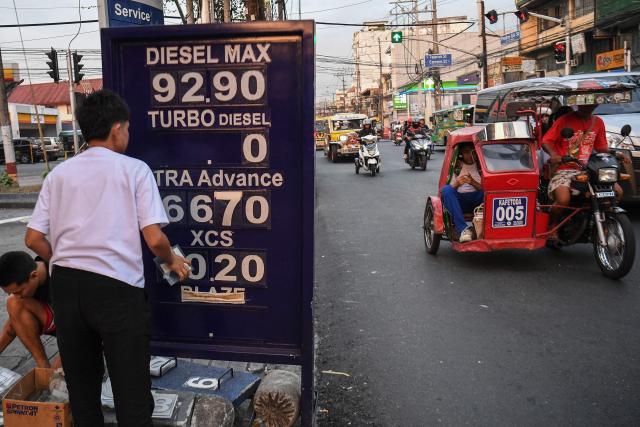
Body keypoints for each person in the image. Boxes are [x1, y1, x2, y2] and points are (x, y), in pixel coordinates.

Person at [25, 89, 190, 427]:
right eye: (127, 129)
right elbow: (155, 237)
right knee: (131, 393)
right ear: (117, 128)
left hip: (68, 288)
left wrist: (66, 258)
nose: (128, 135)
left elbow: (32, 238)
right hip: (116, 290)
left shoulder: (58, 175)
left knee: (83, 391)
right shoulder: (134, 170)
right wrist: (173, 260)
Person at [542, 104, 623, 236]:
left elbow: (601, 147)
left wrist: (616, 154)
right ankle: (553, 225)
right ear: (579, 104)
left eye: (591, 104)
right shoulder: (563, 120)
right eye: (585, 104)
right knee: (563, 200)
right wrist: (554, 155)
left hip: (589, 168)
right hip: (565, 168)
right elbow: (546, 141)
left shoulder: (598, 122)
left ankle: (604, 222)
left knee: (617, 192)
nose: (588, 107)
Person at [0, 251, 59, 369]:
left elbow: (78, 334)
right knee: (13, 303)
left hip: (80, 329)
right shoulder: (26, 273)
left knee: (56, 378)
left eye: (19, 291)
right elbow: (12, 326)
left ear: (34, 275)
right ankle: (43, 366)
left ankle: (48, 371)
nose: (16, 295)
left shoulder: (61, 279)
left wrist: (55, 373)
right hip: (54, 320)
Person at [441, 143, 483, 242]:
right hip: (460, 201)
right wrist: (458, 183)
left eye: (472, 152)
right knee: (446, 190)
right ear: (461, 154)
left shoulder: (482, 167)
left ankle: (483, 226)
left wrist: (473, 182)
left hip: (478, 201)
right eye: (466, 152)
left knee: (489, 191)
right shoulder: (456, 166)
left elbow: (486, 190)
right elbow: (449, 190)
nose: (469, 155)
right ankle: (463, 229)